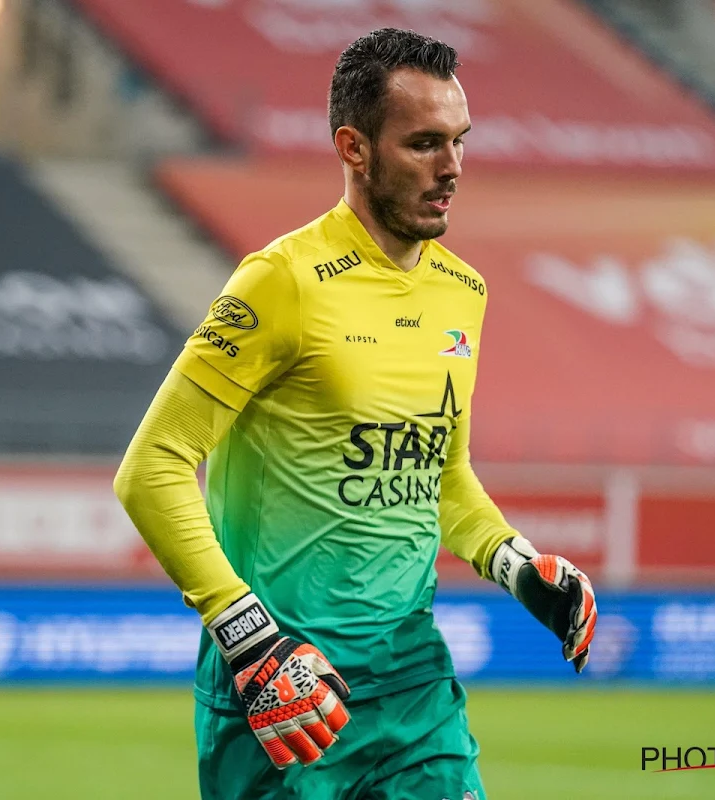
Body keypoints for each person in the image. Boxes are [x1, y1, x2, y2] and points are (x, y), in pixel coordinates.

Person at [114, 27, 597, 800]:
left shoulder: (462, 292)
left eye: (460, 142)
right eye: (424, 144)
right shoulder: (281, 281)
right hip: (285, 691)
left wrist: (514, 564)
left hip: (412, 686)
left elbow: (440, 475)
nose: (452, 168)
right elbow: (152, 468)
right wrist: (252, 645)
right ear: (355, 148)